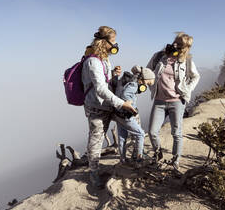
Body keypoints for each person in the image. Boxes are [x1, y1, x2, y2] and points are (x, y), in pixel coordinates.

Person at [82, 26, 137, 188]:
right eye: (113, 42)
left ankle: (133, 158)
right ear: (103, 41)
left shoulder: (104, 59)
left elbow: (103, 82)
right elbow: (99, 88)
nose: (115, 45)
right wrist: (122, 103)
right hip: (96, 107)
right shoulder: (92, 61)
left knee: (128, 126)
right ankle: (93, 172)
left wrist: (113, 75)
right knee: (96, 139)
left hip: (106, 105)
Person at [146, 32, 200, 170]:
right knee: (152, 132)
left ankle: (175, 161)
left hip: (177, 101)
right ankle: (158, 155)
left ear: (185, 48)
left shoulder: (187, 61)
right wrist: (149, 83)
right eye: (175, 42)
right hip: (159, 101)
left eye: (180, 45)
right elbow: (147, 71)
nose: (176, 45)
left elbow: (196, 76)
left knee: (176, 133)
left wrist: (187, 90)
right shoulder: (159, 56)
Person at [113, 66, 155, 166]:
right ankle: (139, 159)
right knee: (140, 134)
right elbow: (125, 95)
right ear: (145, 79)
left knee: (122, 137)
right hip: (126, 114)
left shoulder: (127, 81)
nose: (147, 85)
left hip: (117, 113)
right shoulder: (134, 84)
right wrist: (131, 105)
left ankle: (122, 160)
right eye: (148, 82)